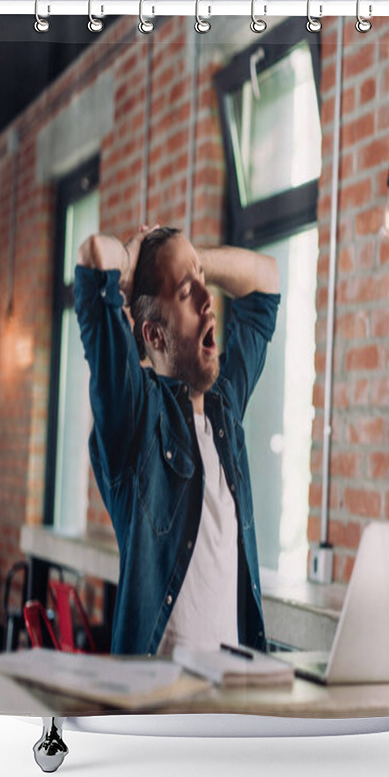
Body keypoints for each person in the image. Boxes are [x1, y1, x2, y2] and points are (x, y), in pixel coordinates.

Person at [74, 225, 280, 656]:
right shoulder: (135, 417)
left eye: (204, 284)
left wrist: (188, 260)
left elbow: (265, 281)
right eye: (188, 294)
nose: (210, 302)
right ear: (153, 336)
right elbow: (95, 255)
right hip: (157, 708)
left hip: (228, 705)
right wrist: (133, 261)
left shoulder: (225, 403)